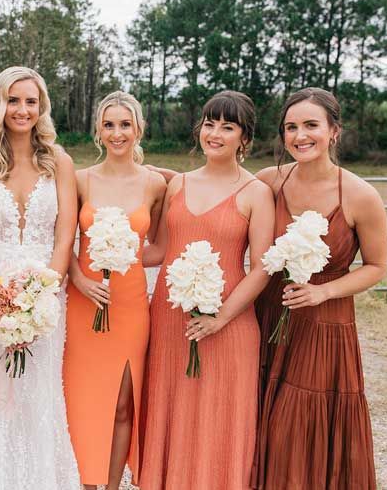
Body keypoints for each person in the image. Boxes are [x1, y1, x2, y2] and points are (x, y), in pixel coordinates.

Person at [252, 88, 387, 489]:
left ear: (334, 131)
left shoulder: (361, 196)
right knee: (265, 421)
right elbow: (218, 181)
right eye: (291, 127)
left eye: (311, 125)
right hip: (271, 315)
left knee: (298, 425)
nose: (299, 135)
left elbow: (377, 267)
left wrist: (324, 292)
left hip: (326, 325)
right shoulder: (268, 182)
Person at [0, 66, 80, 489]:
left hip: (46, 297)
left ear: (41, 107)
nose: (22, 109)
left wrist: (43, 297)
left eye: (31, 101)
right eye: (13, 100)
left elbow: (65, 237)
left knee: (39, 394)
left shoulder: (59, 161)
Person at [140, 90, 275, 489]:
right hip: (169, 320)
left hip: (228, 324)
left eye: (227, 126)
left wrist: (221, 318)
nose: (214, 133)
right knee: (172, 409)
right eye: (209, 123)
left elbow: (262, 268)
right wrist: (106, 258)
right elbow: (159, 250)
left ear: (244, 138)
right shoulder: (177, 185)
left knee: (219, 417)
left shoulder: (255, 194)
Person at [63, 91, 166, 489]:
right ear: (98, 131)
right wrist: (81, 279)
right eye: (109, 125)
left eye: (125, 124)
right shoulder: (81, 180)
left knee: (124, 402)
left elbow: (157, 246)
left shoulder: (156, 184)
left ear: (139, 128)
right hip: (84, 301)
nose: (117, 133)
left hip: (130, 304)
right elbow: (65, 244)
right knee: (82, 401)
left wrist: (127, 257)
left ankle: (108, 485)